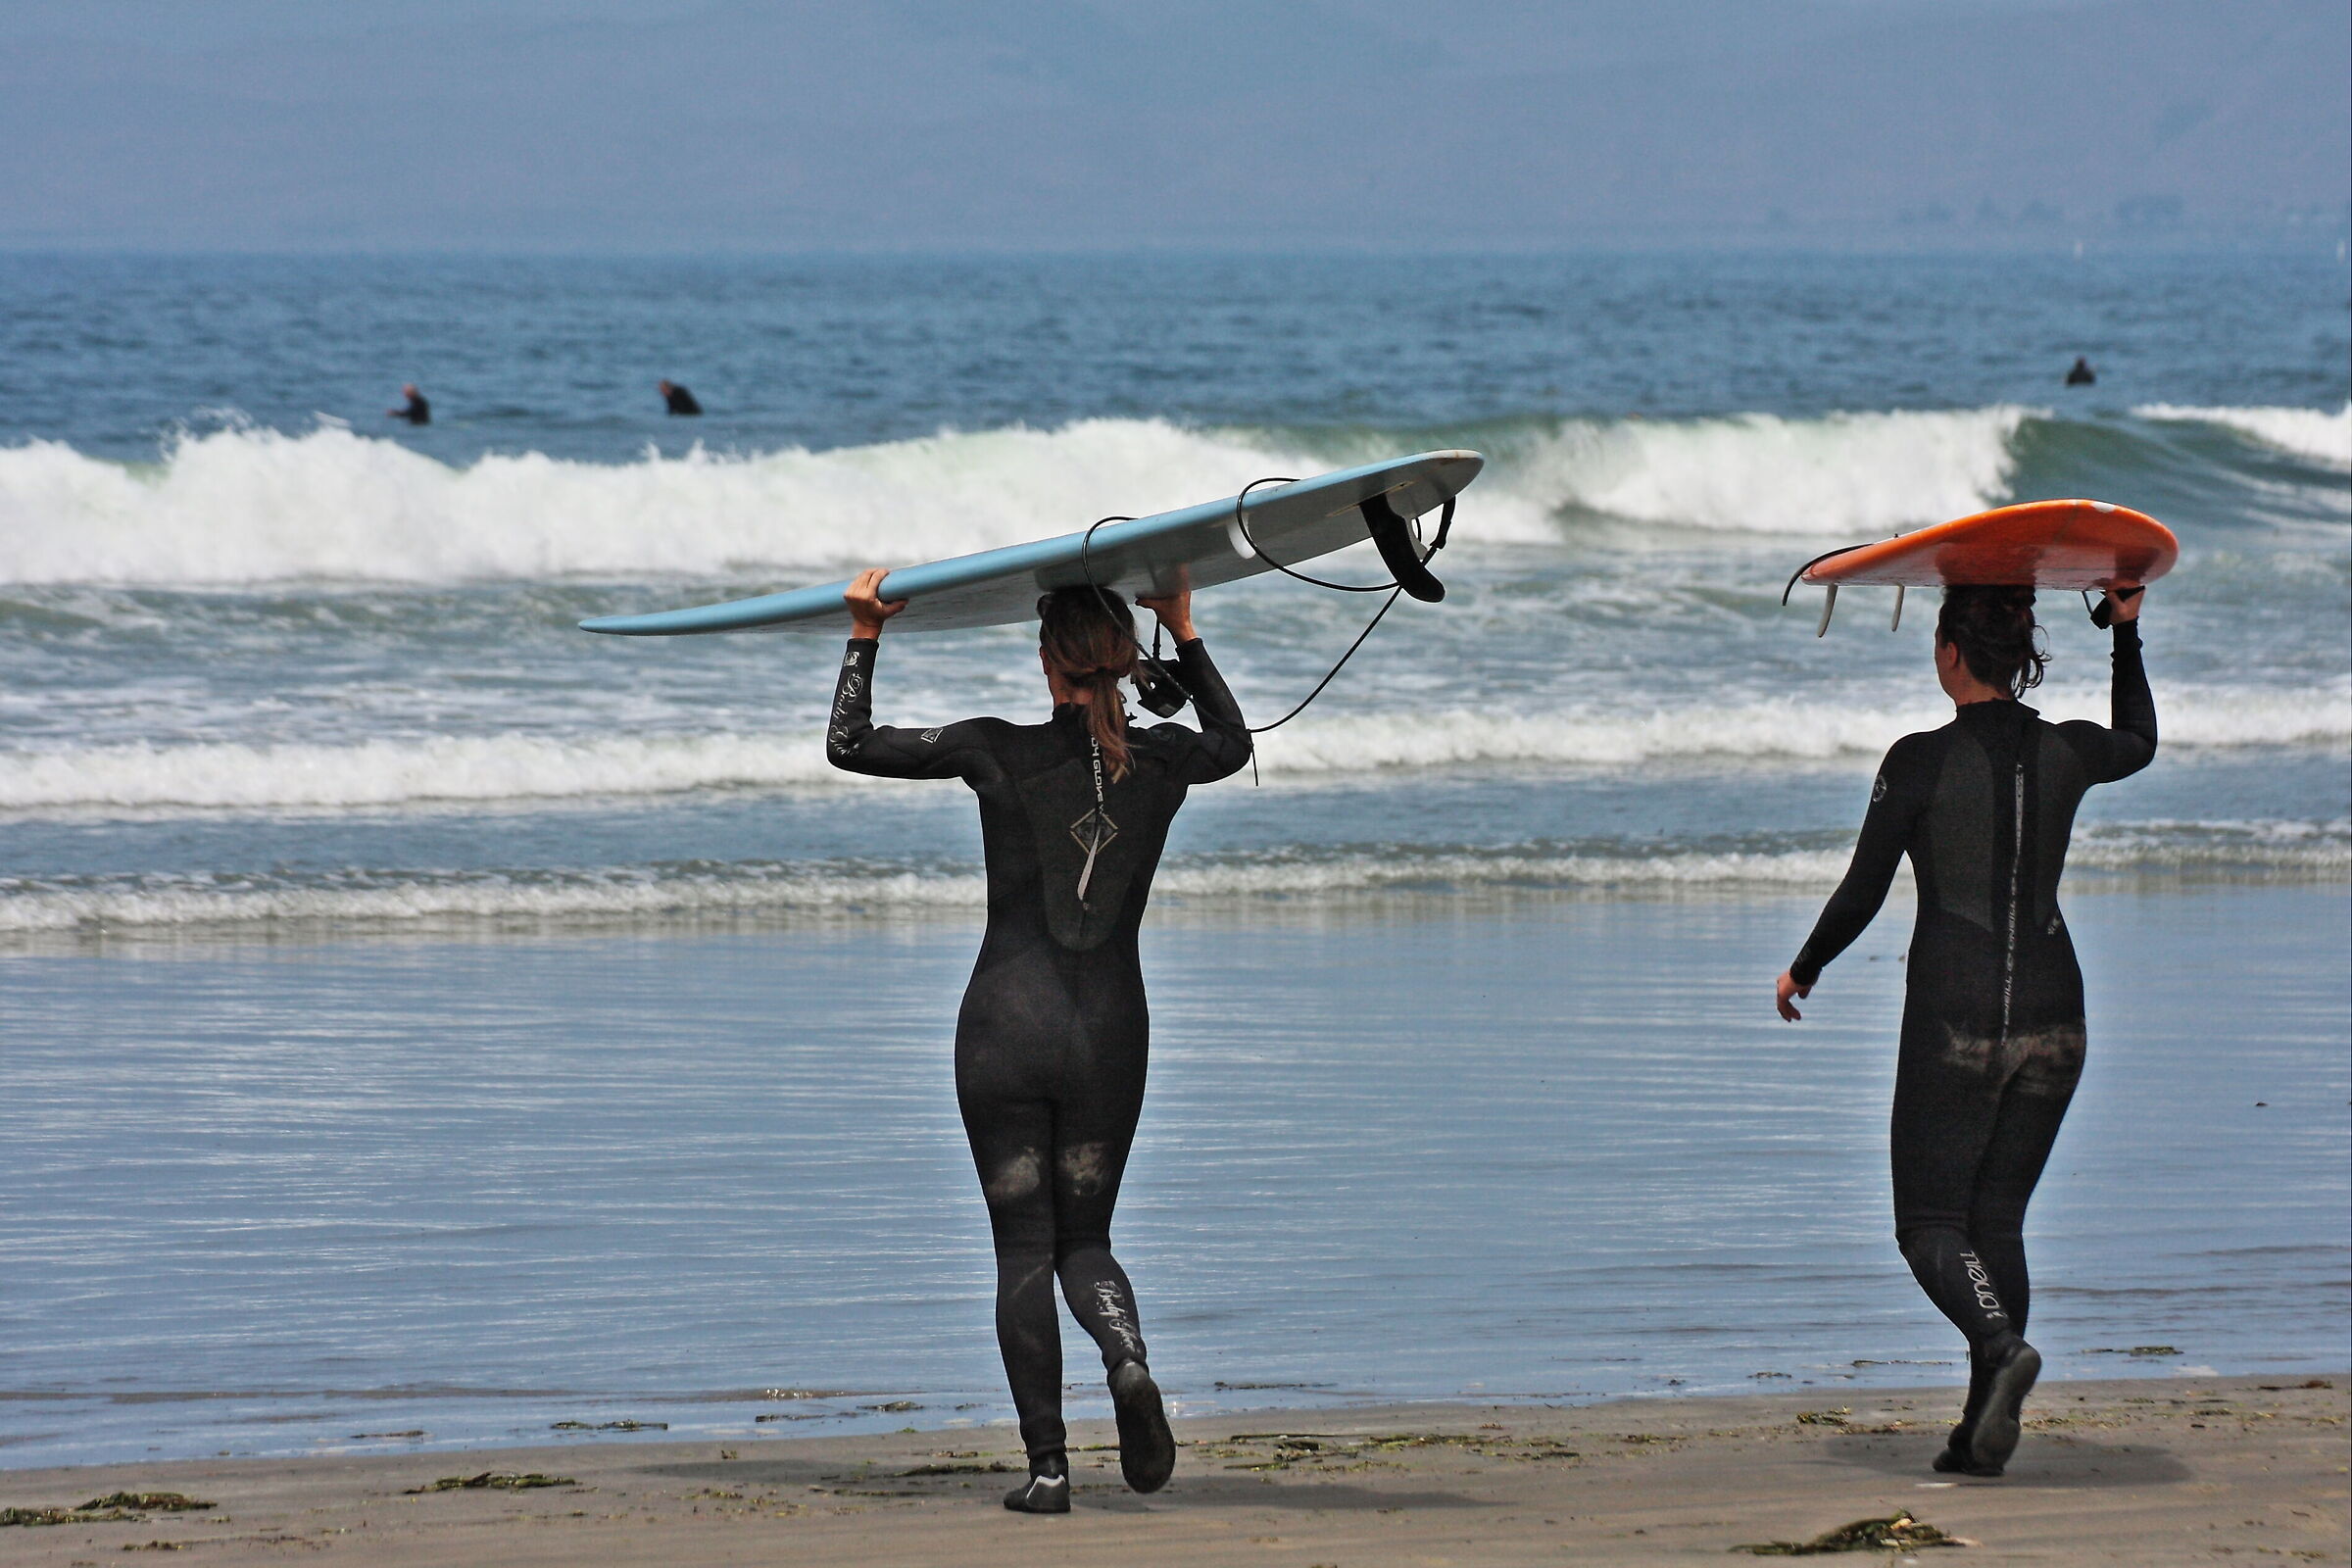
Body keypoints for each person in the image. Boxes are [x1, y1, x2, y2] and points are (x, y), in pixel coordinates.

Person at [826, 569, 1251, 1513]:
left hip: (1004, 1033)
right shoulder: (1168, 759)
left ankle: (1049, 1472)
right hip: (1109, 1032)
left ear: (1045, 663)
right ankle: (1128, 1358)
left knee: (1023, 1248)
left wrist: (865, 634)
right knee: (1085, 1236)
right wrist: (1182, 628)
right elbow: (1234, 742)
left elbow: (849, 744)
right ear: (1121, 661)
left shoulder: (994, 750)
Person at [1774, 583, 2154, 1478]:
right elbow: (2138, 740)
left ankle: (1996, 1346)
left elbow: (1863, 888)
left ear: (1949, 650)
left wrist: (1805, 967)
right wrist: (2126, 632)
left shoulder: (1916, 761)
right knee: (1999, 1220)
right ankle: (1985, 1427)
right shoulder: (2066, 749)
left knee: (1931, 1222)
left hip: (1958, 1015)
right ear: (2017, 650)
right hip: (2058, 1016)